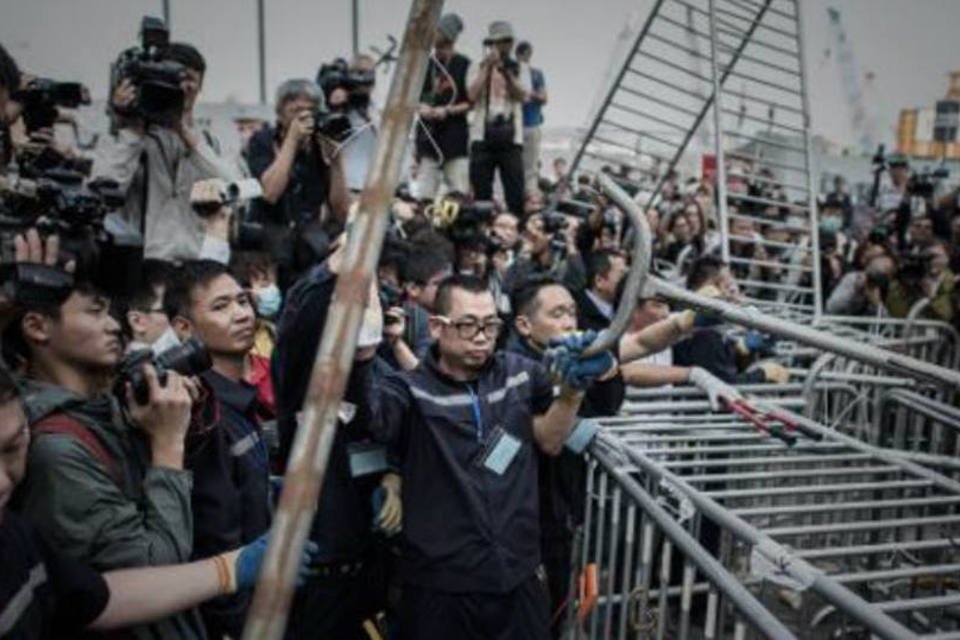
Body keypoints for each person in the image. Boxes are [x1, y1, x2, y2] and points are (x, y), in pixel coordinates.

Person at [359, 274, 615, 640]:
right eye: (467, 325)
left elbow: (550, 440)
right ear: (436, 326)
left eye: (490, 325)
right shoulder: (409, 391)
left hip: (519, 575)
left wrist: (572, 392)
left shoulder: (519, 374)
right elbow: (371, 420)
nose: (481, 337)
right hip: (441, 587)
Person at [0, 360, 311, 640]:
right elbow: (156, 559)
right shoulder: (58, 453)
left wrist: (230, 569)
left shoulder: (17, 537)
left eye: (13, 447)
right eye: (93, 310)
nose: (2, 483)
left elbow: (101, 599)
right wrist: (168, 443)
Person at [3, 236, 203, 639]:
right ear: (37, 326)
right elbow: (153, 569)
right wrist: (167, 446)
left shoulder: (107, 409)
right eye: (95, 312)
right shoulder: (52, 448)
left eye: (112, 311)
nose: (114, 324)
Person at [273, 239, 397, 640]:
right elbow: (297, 321)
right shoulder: (304, 379)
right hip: (318, 575)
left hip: (372, 568)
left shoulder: (384, 373)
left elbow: (405, 435)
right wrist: (335, 266)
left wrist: (396, 478)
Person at [163, 261, 273, 638]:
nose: (242, 313)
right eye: (221, 306)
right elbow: (216, 532)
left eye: (242, 301)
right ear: (183, 328)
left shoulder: (240, 401)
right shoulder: (200, 414)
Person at [93, 42, 242, 262]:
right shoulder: (128, 136)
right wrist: (132, 130)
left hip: (196, 266)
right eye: (175, 79)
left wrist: (186, 135)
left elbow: (236, 194)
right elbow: (103, 192)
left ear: (200, 86)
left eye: (190, 79)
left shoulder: (211, 141)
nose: (183, 87)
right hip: (143, 266)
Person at [246, 79, 350, 287]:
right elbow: (270, 192)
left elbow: (341, 211)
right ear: (280, 113)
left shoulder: (319, 143)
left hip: (310, 247)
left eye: (310, 111)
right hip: (271, 246)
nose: (303, 117)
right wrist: (292, 140)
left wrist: (336, 162)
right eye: (296, 111)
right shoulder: (262, 140)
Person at [466, 21, 531, 215]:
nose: (502, 46)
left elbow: (523, 96)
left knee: (515, 192)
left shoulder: (520, 68)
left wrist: (506, 73)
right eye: (497, 42)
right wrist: (487, 68)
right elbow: (471, 95)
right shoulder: (477, 66)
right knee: (481, 193)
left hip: (511, 138)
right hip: (482, 135)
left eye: (506, 42)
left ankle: (515, 230)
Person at [414, 13, 472, 202]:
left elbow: (470, 102)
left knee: (459, 193)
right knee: (424, 194)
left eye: (437, 30)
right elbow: (415, 96)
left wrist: (447, 111)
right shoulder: (427, 64)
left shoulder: (463, 65)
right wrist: (422, 107)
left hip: (454, 138)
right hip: (428, 138)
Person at [516, 41, 547, 201]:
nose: (526, 58)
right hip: (515, 125)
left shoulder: (536, 74)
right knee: (516, 165)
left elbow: (544, 97)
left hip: (532, 123)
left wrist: (529, 93)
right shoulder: (512, 73)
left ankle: (530, 194)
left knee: (531, 166)